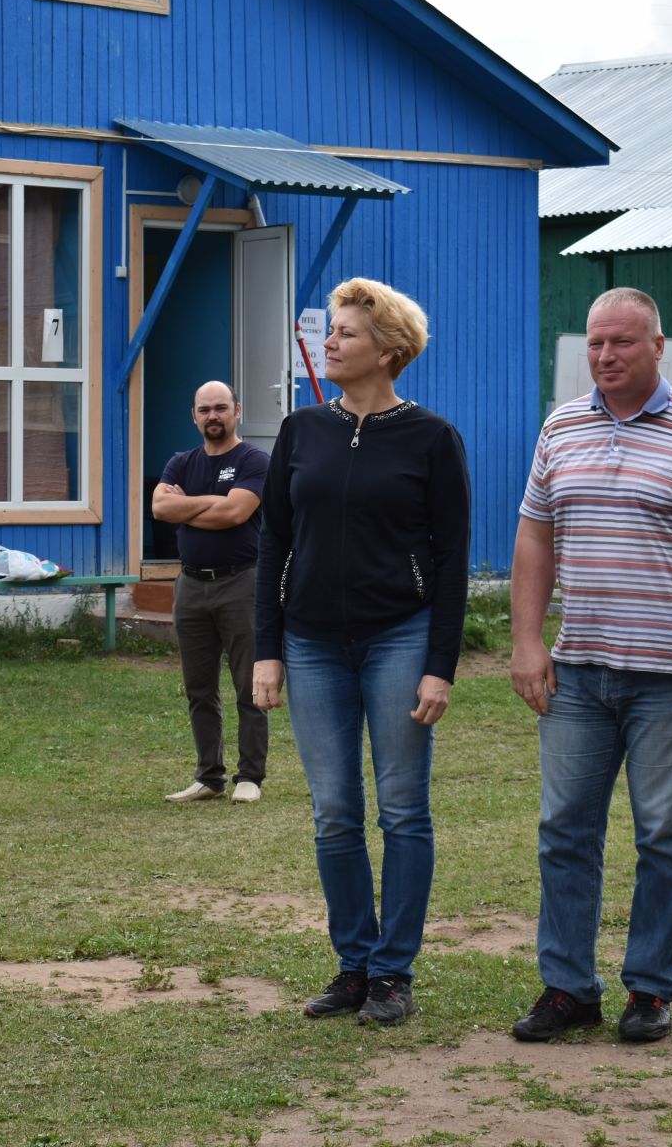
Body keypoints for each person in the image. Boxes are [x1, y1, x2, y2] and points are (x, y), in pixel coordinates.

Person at [508, 287, 672, 1046]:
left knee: (664, 835)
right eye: (595, 343)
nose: (606, 356)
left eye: (622, 343)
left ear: (658, 346)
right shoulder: (562, 427)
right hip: (578, 671)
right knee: (564, 831)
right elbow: (534, 537)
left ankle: (650, 989)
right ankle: (566, 987)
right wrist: (527, 639)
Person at [251, 277, 471, 1027]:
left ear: (388, 349)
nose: (329, 342)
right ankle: (352, 966)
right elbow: (274, 539)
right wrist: (266, 648)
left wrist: (440, 665)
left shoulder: (432, 438)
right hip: (310, 644)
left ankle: (392, 973)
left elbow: (452, 559)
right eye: (331, 331)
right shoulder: (300, 430)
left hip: (400, 639)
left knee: (403, 810)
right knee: (335, 812)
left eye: (345, 332)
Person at [153, 381, 272, 805]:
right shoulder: (181, 462)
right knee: (198, 686)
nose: (213, 416)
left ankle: (250, 777)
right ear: (194, 416)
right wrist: (212, 506)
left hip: (242, 582)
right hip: (190, 585)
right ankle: (209, 777)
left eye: (221, 408)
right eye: (204, 410)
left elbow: (237, 512)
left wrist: (190, 508)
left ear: (237, 410)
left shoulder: (254, 459)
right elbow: (160, 509)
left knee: (249, 684)